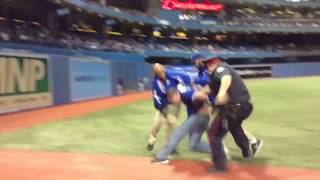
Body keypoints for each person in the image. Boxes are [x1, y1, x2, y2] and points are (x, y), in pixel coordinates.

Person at [200, 56, 261, 172]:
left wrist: (222, 93)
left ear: (213, 63)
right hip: (244, 107)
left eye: (208, 64)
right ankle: (247, 151)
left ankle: (220, 165)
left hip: (234, 109)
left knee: (214, 133)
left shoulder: (221, 68)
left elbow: (226, 77)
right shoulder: (215, 75)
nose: (207, 67)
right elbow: (209, 87)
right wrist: (197, 93)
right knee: (234, 126)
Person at [152, 77, 213, 164]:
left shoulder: (186, 94)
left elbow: (199, 95)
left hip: (198, 117)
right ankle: (218, 149)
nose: (172, 102)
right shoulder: (184, 95)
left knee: (178, 134)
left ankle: (161, 157)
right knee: (194, 145)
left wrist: (204, 99)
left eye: (172, 99)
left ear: (177, 94)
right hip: (202, 118)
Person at [147, 63, 190, 151]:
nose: (162, 74)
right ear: (156, 74)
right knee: (157, 124)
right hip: (163, 105)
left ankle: (171, 146)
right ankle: (151, 140)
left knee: (172, 124)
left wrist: (181, 92)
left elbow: (186, 80)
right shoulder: (156, 83)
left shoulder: (172, 75)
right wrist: (161, 107)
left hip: (174, 106)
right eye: (159, 73)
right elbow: (156, 97)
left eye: (162, 71)